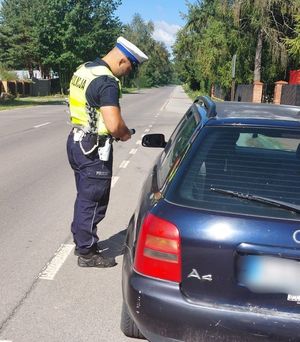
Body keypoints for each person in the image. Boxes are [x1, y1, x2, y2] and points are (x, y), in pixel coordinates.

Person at [66, 37, 148, 268]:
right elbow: (113, 125)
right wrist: (124, 134)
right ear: (122, 59)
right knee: (94, 200)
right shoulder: (107, 82)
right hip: (93, 149)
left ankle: (81, 239)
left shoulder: (84, 69)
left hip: (76, 141)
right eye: (128, 68)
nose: (126, 73)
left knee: (84, 196)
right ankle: (87, 253)